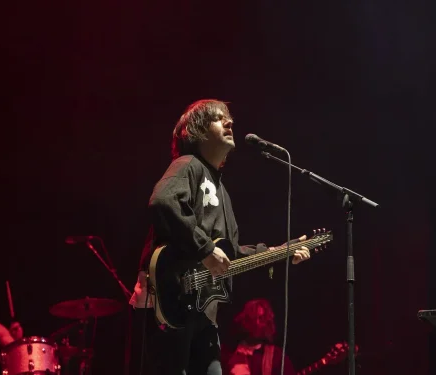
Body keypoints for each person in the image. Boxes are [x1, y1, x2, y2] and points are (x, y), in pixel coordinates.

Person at [128, 99, 311, 375]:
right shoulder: (187, 165)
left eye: (229, 118)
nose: (230, 123)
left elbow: (230, 253)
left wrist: (278, 251)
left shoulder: (222, 192)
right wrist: (204, 249)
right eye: (218, 118)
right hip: (170, 304)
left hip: (203, 314)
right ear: (196, 131)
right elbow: (163, 201)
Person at [225, 299, 296, 375]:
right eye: (255, 318)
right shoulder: (227, 353)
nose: (259, 323)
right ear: (246, 320)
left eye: (262, 319)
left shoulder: (277, 356)